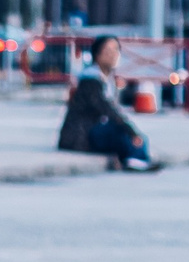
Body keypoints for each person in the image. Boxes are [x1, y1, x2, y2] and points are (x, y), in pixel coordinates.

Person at [57, 35, 162, 172]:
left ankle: (138, 159)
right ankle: (136, 159)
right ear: (97, 55)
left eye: (116, 50)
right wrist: (131, 131)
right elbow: (105, 108)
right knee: (121, 132)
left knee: (132, 135)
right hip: (81, 135)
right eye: (108, 50)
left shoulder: (108, 79)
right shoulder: (91, 78)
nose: (113, 55)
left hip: (94, 130)